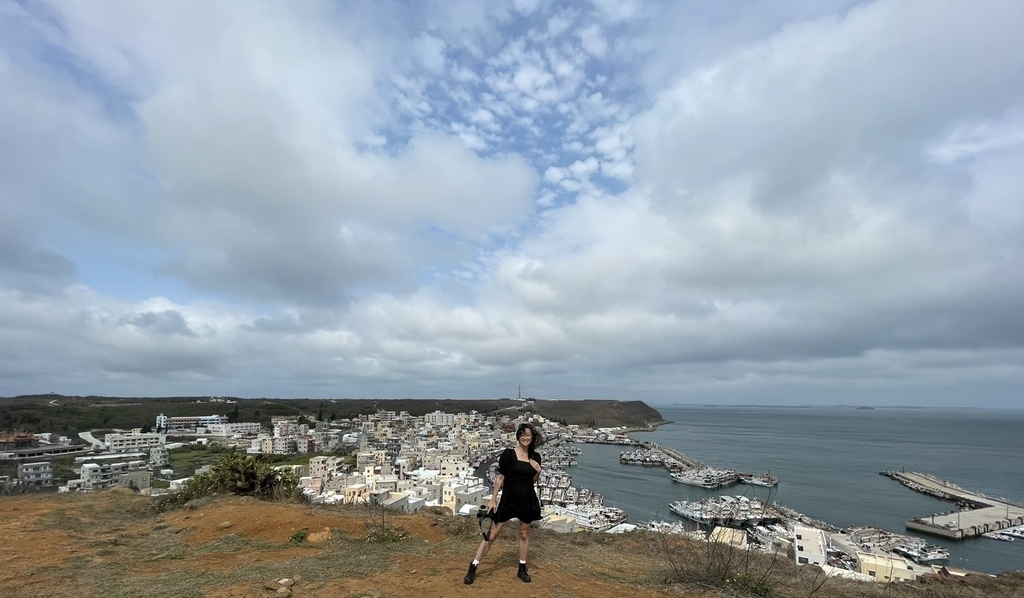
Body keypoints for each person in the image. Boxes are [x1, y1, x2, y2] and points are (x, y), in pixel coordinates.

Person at [463, 422, 543, 585]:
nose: (525, 437)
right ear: (518, 436)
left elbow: (532, 481)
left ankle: (522, 568)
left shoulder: (535, 457)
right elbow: (500, 478)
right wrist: (493, 499)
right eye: (522, 434)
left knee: (524, 534)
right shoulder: (508, 454)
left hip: (526, 500)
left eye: (528, 435)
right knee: (492, 534)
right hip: (508, 500)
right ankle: (473, 566)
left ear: (532, 437)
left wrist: (538, 471)